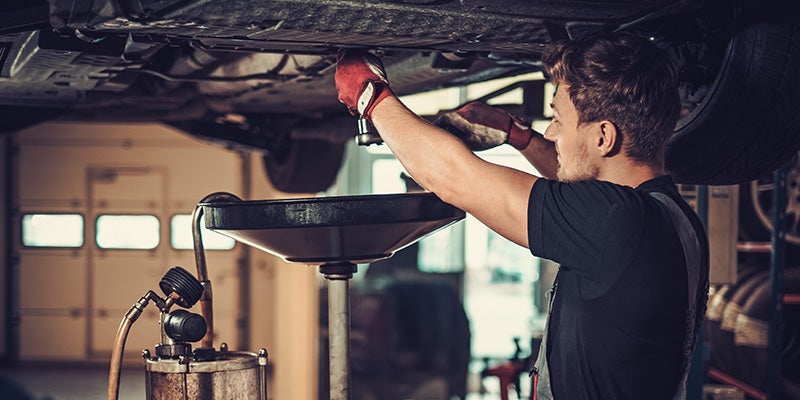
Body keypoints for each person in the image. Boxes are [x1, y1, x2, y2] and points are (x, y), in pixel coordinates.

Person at [334, 32, 709, 400]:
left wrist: (371, 95)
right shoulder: (672, 217)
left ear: (603, 137)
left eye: (558, 120)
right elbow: (579, 187)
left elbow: (453, 177)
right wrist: (518, 136)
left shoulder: (616, 223)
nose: (552, 131)